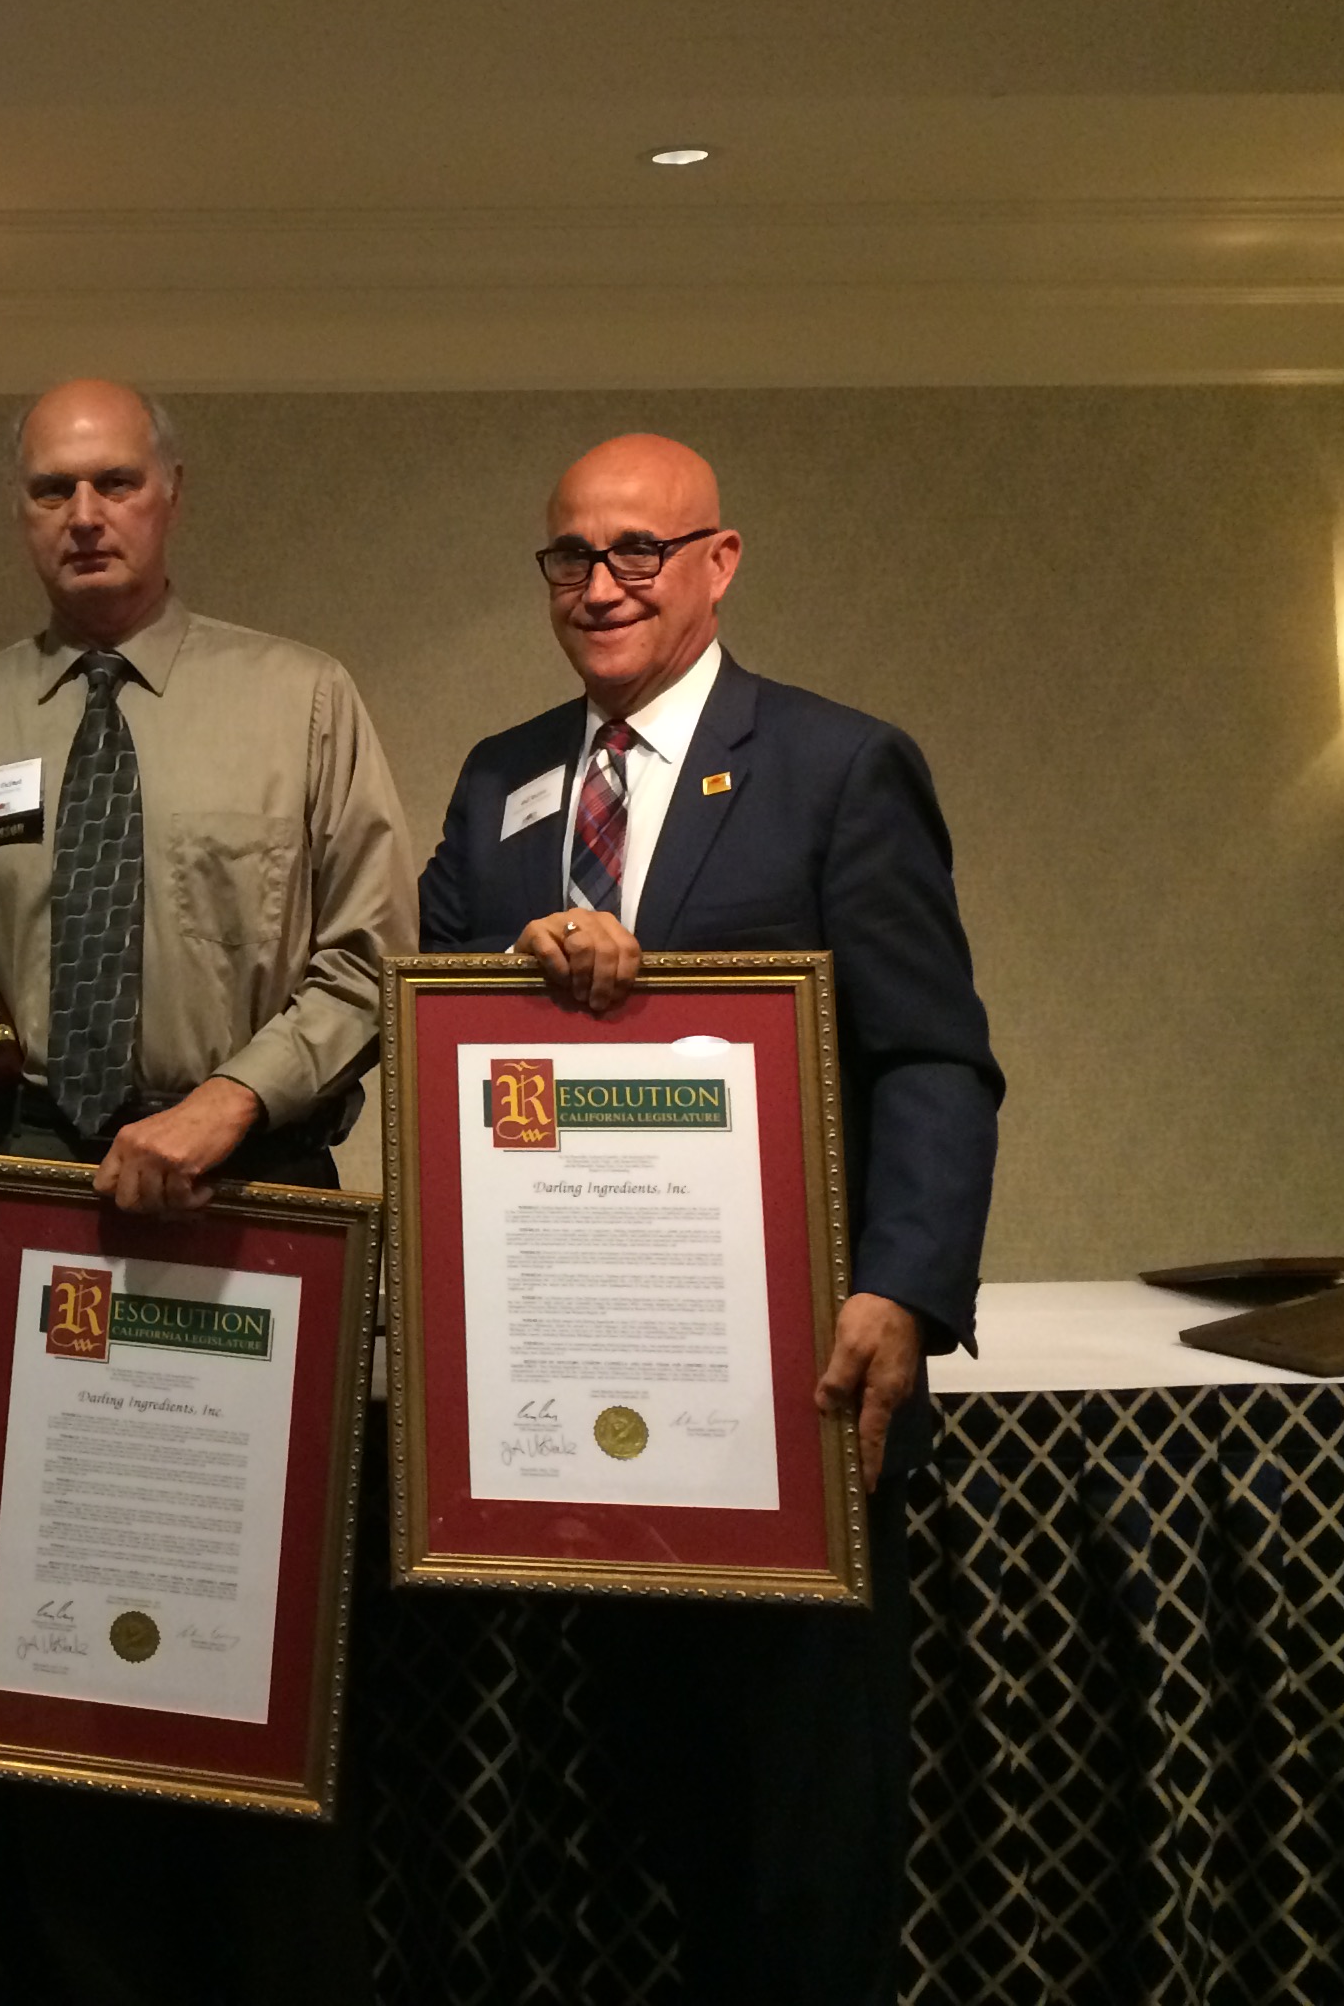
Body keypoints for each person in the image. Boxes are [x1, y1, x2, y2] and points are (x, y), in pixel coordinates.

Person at [0, 377, 411, 2006]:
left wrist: (224, 1106)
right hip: (26, 1180)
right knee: (52, 1620)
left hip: (255, 1187)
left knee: (260, 1623)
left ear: (171, 492)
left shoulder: (301, 698)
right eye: (52, 490)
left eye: (113, 482)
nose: (85, 515)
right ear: (22, 511)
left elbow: (372, 956)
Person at [417, 431, 1000, 2006]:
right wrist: (507, 973)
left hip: (791, 1401)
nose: (601, 586)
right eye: (571, 556)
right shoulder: (498, 781)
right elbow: (439, 1031)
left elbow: (933, 1056)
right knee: (637, 1841)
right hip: (579, 1411)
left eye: (639, 552)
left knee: (801, 1857)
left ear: (718, 562)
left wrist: (902, 1291)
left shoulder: (837, 765)